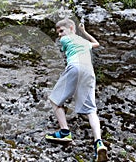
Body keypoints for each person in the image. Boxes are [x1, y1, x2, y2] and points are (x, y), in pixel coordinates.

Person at [45, 18, 108, 162]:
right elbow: (96, 43)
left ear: (71, 28)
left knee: (54, 100)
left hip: (75, 67)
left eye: (61, 31)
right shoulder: (84, 42)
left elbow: (70, 41)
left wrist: (78, 31)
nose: (60, 35)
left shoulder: (65, 41)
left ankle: (65, 131)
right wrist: (84, 32)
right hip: (89, 71)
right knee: (91, 110)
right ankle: (98, 142)